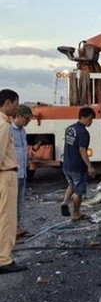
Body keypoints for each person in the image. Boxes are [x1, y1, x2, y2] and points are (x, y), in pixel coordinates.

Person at [0, 89, 27, 274]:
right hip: (6, 174)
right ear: (8, 102)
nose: (17, 107)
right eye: (16, 103)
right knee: (7, 219)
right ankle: (4, 259)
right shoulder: (4, 125)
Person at [60, 107, 96, 221]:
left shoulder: (70, 129)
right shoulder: (83, 132)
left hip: (66, 164)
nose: (91, 122)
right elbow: (82, 150)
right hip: (77, 166)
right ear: (83, 117)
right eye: (90, 119)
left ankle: (65, 202)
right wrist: (90, 166)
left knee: (71, 184)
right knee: (78, 191)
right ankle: (76, 213)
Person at [11, 105, 33, 237]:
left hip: (22, 172)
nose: (28, 121)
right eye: (26, 118)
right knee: (11, 202)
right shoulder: (7, 130)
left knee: (20, 201)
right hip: (12, 172)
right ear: (18, 116)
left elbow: (23, 150)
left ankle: (16, 226)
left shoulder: (22, 131)